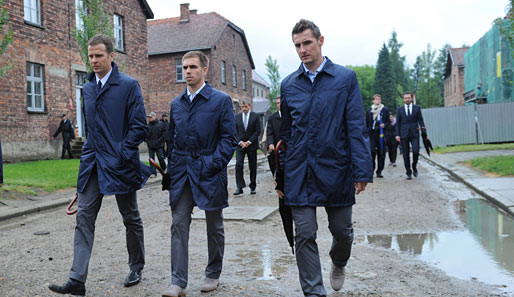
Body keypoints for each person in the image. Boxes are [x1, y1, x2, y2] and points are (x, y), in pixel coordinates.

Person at [278, 19, 373, 296]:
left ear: (320, 41)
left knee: (342, 231)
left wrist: (362, 171)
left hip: (336, 167)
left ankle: (339, 261)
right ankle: (314, 292)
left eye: (307, 43)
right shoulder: (289, 84)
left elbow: (356, 126)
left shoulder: (345, 78)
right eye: (297, 45)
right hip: (299, 170)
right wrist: (280, 176)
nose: (302, 50)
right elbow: (286, 134)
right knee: (304, 234)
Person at [49, 34, 149, 296]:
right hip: (93, 163)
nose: (93, 60)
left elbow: (139, 126)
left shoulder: (128, 85)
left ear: (111, 56)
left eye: (98, 56)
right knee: (84, 217)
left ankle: (136, 266)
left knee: (130, 216)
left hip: (121, 162)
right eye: (90, 56)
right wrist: (86, 163)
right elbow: (93, 129)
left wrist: (122, 152)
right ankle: (77, 279)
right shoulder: (88, 88)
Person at [160, 51, 237, 297]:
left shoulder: (220, 100)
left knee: (214, 226)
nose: (188, 71)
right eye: (184, 67)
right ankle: (177, 281)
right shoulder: (176, 104)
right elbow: (171, 139)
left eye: (193, 66)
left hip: (209, 171)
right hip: (182, 173)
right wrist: (172, 167)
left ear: (205, 70)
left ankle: (213, 273)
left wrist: (212, 164)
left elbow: (229, 139)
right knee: (178, 223)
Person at [395, 91, 426, 179]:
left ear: (411, 98)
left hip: (414, 132)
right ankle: (408, 171)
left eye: (409, 98)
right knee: (405, 154)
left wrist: (423, 130)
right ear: (403, 99)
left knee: (416, 150)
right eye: (406, 98)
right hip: (403, 133)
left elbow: (421, 120)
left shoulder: (417, 108)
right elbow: (398, 123)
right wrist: (397, 135)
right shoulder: (400, 109)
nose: (407, 99)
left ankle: (414, 166)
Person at [233, 99, 262, 195]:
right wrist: (240, 142)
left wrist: (249, 142)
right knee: (238, 165)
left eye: (245, 107)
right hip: (240, 145)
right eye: (242, 107)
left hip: (251, 145)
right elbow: (234, 131)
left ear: (249, 106)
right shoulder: (236, 117)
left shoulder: (255, 116)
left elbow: (258, 131)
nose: (244, 108)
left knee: (252, 166)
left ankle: (252, 186)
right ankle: (239, 187)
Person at [365, 94, 390, 178]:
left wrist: (384, 125)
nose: (378, 101)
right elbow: (366, 123)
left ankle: (379, 171)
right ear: (373, 101)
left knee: (381, 152)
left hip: (381, 134)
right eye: (376, 99)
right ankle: (371, 170)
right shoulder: (369, 111)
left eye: (379, 99)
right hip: (372, 134)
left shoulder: (385, 110)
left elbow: (388, 122)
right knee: (372, 152)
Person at [266, 96, 282, 176]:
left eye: (281, 102)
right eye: (278, 103)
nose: (279, 104)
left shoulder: (291, 115)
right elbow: (269, 132)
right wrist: (270, 143)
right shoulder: (272, 118)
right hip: (276, 146)